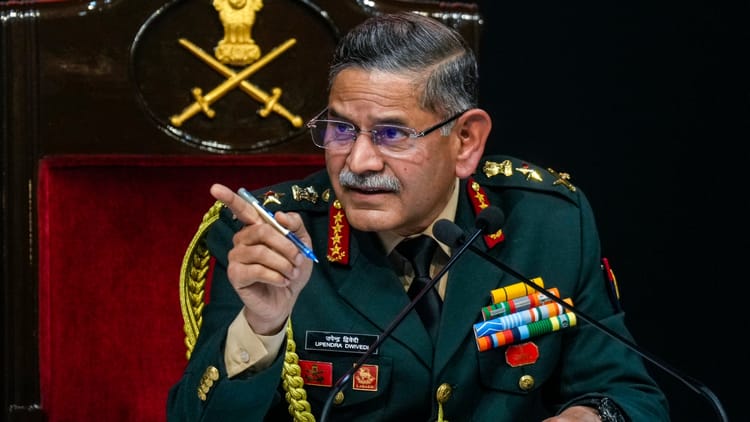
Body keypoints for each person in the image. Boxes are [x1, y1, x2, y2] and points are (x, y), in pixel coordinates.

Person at [167, 12, 669, 421]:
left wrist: (588, 417)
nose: (359, 162)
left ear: (465, 141)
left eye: (391, 134)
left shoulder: (547, 222)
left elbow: (628, 394)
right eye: (341, 129)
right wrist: (262, 327)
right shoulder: (270, 236)